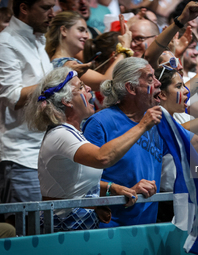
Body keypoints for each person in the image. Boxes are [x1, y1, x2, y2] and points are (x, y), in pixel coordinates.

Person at [25, 67, 163, 231]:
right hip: (63, 232)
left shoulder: (74, 133)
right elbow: (103, 158)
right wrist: (142, 126)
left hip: (80, 229)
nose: (90, 88)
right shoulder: (61, 134)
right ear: (67, 101)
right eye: (81, 87)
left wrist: (114, 189)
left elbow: (77, 184)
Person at [82, 57, 166, 227]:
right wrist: (123, 190)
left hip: (147, 229)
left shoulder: (156, 122)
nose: (158, 83)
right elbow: (81, 184)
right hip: (110, 230)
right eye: (150, 78)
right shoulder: (100, 123)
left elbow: (196, 144)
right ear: (131, 88)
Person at [0, 0, 55, 227]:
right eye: (45, 8)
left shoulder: (37, 40)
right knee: (26, 237)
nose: (52, 14)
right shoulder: (6, 43)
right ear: (24, 8)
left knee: (42, 235)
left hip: (42, 155)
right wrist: (57, 80)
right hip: (20, 156)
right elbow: (12, 96)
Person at [45, 11, 132, 91]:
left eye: (86, 31)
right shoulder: (65, 64)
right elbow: (106, 83)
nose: (86, 36)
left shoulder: (61, 61)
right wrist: (124, 48)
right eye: (81, 30)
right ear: (64, 31)